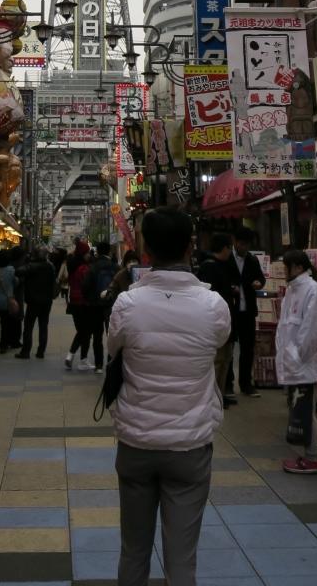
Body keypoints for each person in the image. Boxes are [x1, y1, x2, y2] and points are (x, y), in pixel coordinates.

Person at [108, 208, 231, 586]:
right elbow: (220, 343)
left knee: (133, 550)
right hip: (190, 443)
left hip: (136, 441)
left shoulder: (126, 305)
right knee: (181, 560)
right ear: (190, 247)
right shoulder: (214, 306)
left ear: (145, 248)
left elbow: (112, 351)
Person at [275, 248, 317, 475]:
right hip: (296, 362)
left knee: (305, 410)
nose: (284, 272)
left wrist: (297, 356)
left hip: (305, 364)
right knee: (304, 408)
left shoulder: (313, 291)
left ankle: (311, 458)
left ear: (298, 267)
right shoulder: (294, 290)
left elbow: (313, 331)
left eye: (286, 267)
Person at [196, 233, 239, 403]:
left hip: (227, 318)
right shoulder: (209, 267)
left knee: (226, 359)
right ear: (224, 248)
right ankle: (214, 397)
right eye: (230, 248)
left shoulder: (225, 264)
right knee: (218, 361)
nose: (231, 251)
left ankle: (220, 395)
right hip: (215, 321)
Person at [230, 227, 266, 399]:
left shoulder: (252, 259)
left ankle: (246, 384)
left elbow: (261, 278)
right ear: (235, 242)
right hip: (230, 310)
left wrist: (259, 282)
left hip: (248, 310)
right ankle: (227, 385)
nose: (244, 247)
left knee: (247, 348)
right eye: (242, 244)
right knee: (229, 348)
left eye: (247, 245)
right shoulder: (228, 259)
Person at [14, 246, 57, 359]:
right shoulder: (50, 266)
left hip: (33, 300)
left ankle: (26, 351)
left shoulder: (31, 266)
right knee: (43, 326)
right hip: (47, 301)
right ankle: (41, 351)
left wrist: (27, 261)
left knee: (28, 327)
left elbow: (18, 271)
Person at [83, 241, 118, 372]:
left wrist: (90, 300)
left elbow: (85, 286)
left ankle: (98, 365)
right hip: (111, 305)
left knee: (97, 336)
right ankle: (112, 362)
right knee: (112, 334)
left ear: (97, 251)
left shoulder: (93, 267)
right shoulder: (115, 267)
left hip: (95, 305)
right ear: (109, 251)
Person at [64, 240, 94, 370]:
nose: (89, 255)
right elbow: (88, 286)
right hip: (84, 303)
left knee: (82, 331)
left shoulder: (72, 266)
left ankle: (81, 359)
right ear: (83, 254)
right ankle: (75, 357)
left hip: (73, 302)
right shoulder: (84, 268)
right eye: (87, 253)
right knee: (85, 332)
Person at [0, 249, 18, 354]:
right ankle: (3, 346)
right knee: (5, 325)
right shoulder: (11, 270)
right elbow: (15, 282)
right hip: (6, 301)